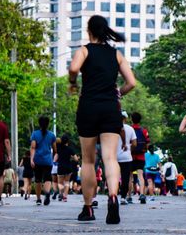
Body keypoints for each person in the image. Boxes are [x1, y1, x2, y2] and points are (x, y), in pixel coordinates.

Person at [69, 15, 136, 224]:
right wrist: (118, 93)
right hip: (110, 109)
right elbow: (131, 82)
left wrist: (73, 83)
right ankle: (114, 197)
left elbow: (73, 68)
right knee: (110, 158)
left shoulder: (84, 50)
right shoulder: (116, 54)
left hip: (88, 107)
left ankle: (88, 208)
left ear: (89, 31)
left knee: (89, 160)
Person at [30, 116, 56, 206]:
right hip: (48, 161)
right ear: (48, 124)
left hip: (37, 160)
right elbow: (54, 149)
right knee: (47, 178)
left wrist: (31, 159)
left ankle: (38, 199)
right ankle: (47, 193)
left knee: (38, 180)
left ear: (39, 123)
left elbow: (33, 147)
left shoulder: (35, 134)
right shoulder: (52, 135)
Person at [130, 112, 151, 204]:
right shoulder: (144, 131)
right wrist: (144, 149)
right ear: (140, 120)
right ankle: (142, 194)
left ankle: (128, 196)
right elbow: (147, 142)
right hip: (140, 156)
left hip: (130, 156)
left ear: (131, 119)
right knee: (140, 176)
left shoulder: (129, 129)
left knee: (129, 177)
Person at [117, 111, 137, 205]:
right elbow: (134, 144)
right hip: (126, 157)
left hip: (113, 157)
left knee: (113, 177)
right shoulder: (130, 129)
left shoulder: (112, 128)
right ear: (125, 118)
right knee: (125, 178)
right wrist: (129, 150)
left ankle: (112, 196)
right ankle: (123, 198)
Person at [56, 134, 78, 202]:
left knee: (60, 183)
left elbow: (56, 140)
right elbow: (76, 159)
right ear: (67, 141)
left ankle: (61, 192)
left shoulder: (58, 148)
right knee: (67, 182)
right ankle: (65, 196)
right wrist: (71, 157)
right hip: (68, 167)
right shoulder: (70, 149)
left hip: (60, 167)